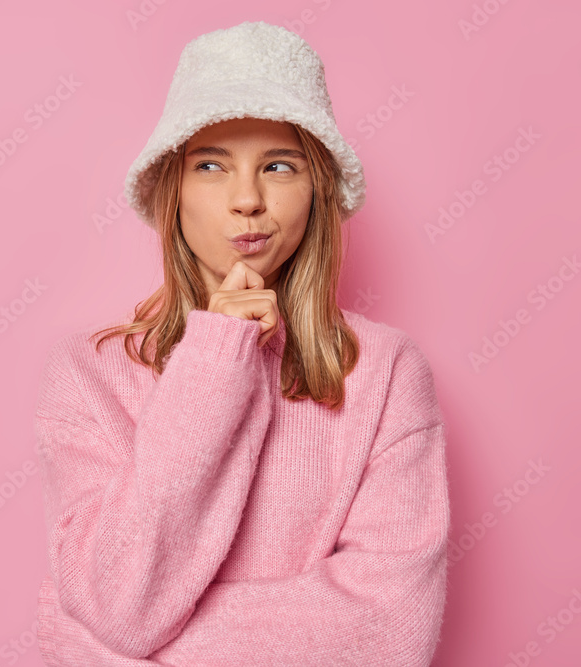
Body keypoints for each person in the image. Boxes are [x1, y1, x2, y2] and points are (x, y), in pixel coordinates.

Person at [33, 20, 450, 666]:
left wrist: (115, 641)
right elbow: (120, 602)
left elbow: (389, 632)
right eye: (211, 165)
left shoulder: (387, 373)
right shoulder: (88, 373)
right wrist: (214, 358)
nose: (248, 199)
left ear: (316, 188)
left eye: (279, 166)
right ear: (173, 191)